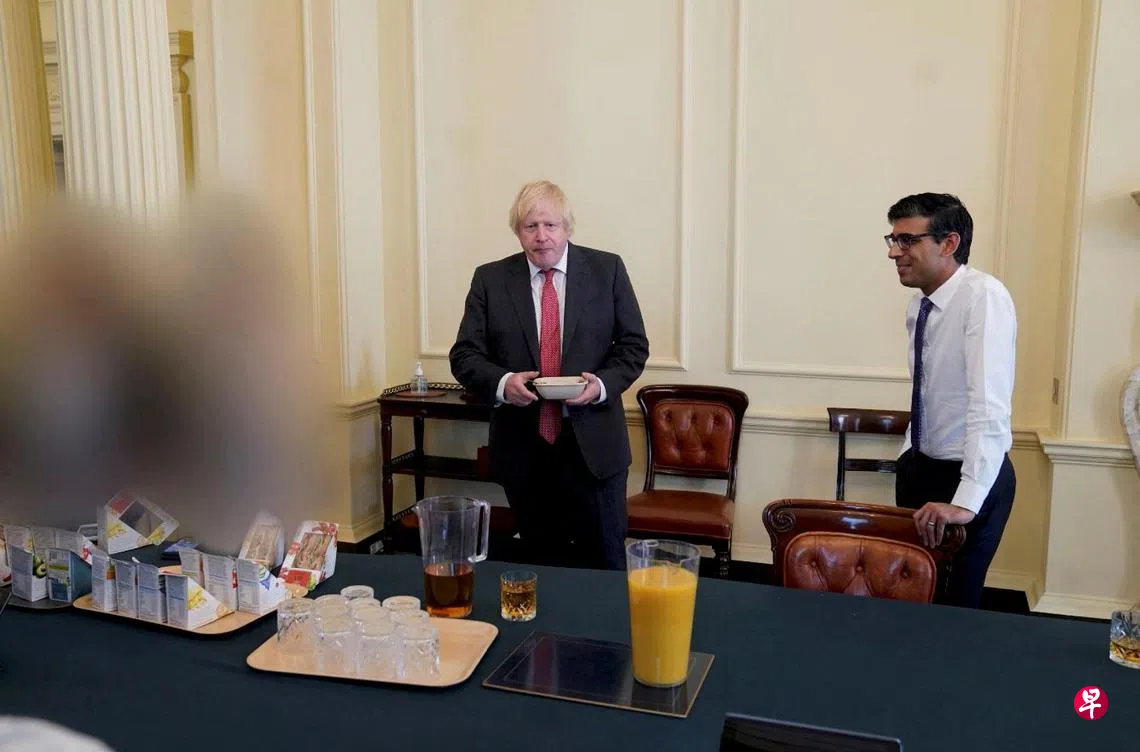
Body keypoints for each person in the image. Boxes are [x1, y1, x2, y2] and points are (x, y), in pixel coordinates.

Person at [450, 180, 649, 570]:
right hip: (525, 452)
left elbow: (633, 346)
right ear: (518, 231)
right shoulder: (490, 279)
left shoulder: (607, 270)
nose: (541, 236)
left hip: (595, 450)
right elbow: (465, 355)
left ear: (567, 227)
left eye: (550, 225)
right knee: (542, 569)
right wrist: (504, 384)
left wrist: (600, 386)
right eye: (530, 226)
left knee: (605, 567)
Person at [885, 192, 1017, 609]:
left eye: (907, 240)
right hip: (921, 469)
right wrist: (908, 457)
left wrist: (965, 501)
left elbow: (988, 406)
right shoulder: (919, 306)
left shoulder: (983, 297)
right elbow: (929, 393)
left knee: (955, 610)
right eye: (893, 239)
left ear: (949, 243)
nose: (894, 252)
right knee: (914, 598)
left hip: (969, 474)